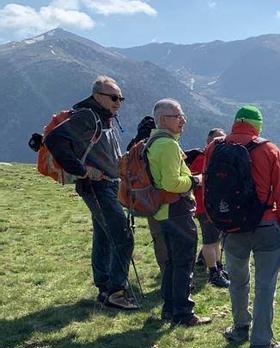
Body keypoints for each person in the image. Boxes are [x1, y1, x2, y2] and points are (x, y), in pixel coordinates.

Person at [44, 75, 137, 309]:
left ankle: (105, 287)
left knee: (105, 236)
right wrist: (82, 170)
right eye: (114, 97)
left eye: (121, 98)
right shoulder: (88, 116)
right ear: (97, 96)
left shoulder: (105, 117)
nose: (118, 102)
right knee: (123, 238)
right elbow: (55, 140)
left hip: (109, 185)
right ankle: (116, 292)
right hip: (98, 187)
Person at [210, 106, 280, 348]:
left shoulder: (215, 147)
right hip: (267, 224)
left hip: (232, 226)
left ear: (236, 123)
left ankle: (240, 327)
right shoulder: (269, 149)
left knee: (238, 279)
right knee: (266, 285)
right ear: (257, 125)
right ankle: (261, 340)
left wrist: (220, 221)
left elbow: (210, 188)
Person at [146, 98, 211, 327]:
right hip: (177, 210)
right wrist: (196, 180)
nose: (183, 120)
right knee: (183, 263)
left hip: (164, 212)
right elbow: (172, 183)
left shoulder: (154, 142)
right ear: (164, 120)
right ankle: (184, 313)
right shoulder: (168, 145)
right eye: (178, 116)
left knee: (172, 263)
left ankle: (169, 309)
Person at [187, 127, 230, 288]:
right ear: (208, 141)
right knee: (210, 240)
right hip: (204, 206)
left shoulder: (215, 157)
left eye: (223, 139)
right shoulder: (202, 158)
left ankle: (217, 267)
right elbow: (195, 181)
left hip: (213, 206)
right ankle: (213, 273)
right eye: (217, 139)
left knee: (216, 239)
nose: (220, 142)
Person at [126, 115, 168, 276]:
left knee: (158, 237)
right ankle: (174, 276)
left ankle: (165, 272)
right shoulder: (159, 144)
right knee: (171, 237)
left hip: (143, 198)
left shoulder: (134, 146)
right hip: (163, 197)